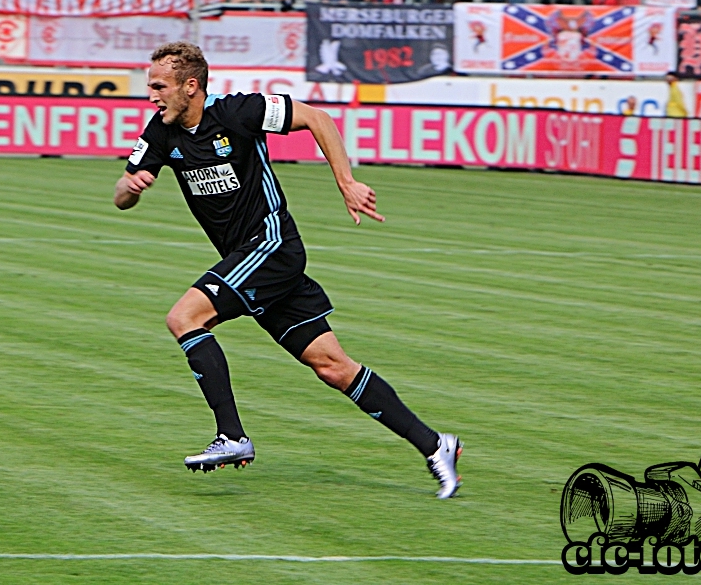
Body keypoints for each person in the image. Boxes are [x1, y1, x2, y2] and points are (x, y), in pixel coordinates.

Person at [113, 42, 463, 497]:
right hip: (249, 261)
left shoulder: (240, 111)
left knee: (184, 317)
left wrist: (347, 183)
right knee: (333, 367)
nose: (151, 95)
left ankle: (232, 437)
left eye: (159, 86)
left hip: (272, 246)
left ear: (191, 86)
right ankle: (436, 444)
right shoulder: (160, 132)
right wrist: (130, 186)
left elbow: (319, 119)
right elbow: (122, 195)